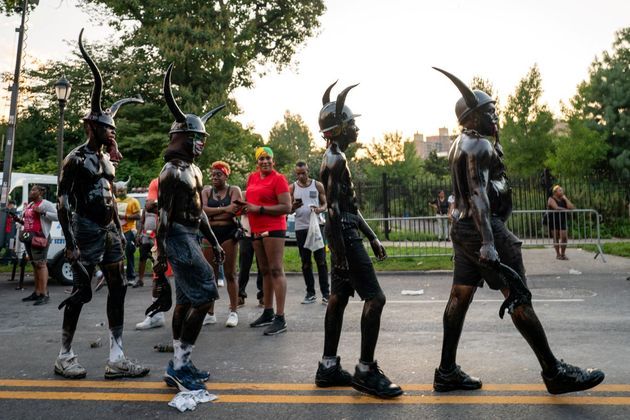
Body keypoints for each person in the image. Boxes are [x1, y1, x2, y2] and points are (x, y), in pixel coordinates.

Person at [432, 67, 604, 395]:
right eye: (489, 111)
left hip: (463, 227)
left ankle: (446, 371)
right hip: (485, 230)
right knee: (519, 295)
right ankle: (553, 371)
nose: (496, 115)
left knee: (461, 293)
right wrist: (489, 242)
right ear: (472, 117)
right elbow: (480, 194)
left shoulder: (460, 144)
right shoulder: (478, 145)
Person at [54, 29, 147, 380]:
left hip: (111, 230)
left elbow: (112, 190)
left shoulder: (107, 159)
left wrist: (114, 150)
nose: (112, 133)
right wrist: (72, 244)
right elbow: (62, 200)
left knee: (118, 286)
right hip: (86, 229)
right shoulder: (76, 159)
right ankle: (64, 354)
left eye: (113, 130)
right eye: (108, 129)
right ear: (92, 126)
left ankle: (117, 356)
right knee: (81, 291)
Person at [314, 82, 403, 399]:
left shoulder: (334, 157)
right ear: (338, 130)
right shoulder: (335, 160)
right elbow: (336, 212)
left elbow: (349, 208)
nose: (357, 128)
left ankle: (328, 366)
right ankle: (365, 371)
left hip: (345, 234)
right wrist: (340, 252)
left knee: (337, 299)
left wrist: (374, 236)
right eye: (352, 123)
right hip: (343, 238)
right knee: (375, 299)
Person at [155, 63, 226, 392]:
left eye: (202, 137)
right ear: (180, 138)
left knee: (185, 300)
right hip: (177, 240)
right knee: (207, 293)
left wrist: (213, 240)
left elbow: (199, 213)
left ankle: (180, 364)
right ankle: (180, 364)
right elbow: (164, 218)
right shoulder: (170, 172)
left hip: (192, 237)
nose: (199, 142)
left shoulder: (195, 172)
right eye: (194, 137)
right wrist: (158, 261)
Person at [242, 146, 292, 336]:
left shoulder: (279, 179)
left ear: (273, 161)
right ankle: (268, 312)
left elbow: (286, 207)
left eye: (268, 158)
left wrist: (259, 209)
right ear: (257, 162)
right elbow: (251, 203)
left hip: (274, 228)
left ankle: (280, 318)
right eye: (261, 159)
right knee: (264, 271)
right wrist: (244, 208)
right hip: (256, 229)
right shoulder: (252, 177)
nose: (265, 162)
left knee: (276, 270)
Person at [201, 161, 243, 328]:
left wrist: (214, 214)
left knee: (230, 273)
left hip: (228, 234)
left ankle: (233, 311)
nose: (215, 177)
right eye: (213, 174)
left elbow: (235, 210)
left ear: (226, 175)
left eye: (219, 174)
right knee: (210, 274)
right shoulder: (206, 191)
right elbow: (202, 211)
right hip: (209, 235)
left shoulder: (234, 190)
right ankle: (210, 313)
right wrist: (224, 209)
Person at [289, 160, 330, 304]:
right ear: (296, 173)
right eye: (298, 174)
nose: (301, 176)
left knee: (321, 261)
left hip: (317, 227)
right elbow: (288, 209)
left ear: (308, 171)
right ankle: (310, 293)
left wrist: (319, 209)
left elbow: (325, 204)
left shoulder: (317, 185)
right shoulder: (292, 188)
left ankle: (326, 294)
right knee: (306, 262)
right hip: (301, 228)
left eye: (303, 173)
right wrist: (293, 206)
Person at [135, 177, 167, 330]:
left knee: (186, 277)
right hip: (159, 239)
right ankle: (156, 315)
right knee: (157, 276)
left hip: (184, 236)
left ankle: (190, 316)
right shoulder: (156, 182)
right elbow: (148, 205)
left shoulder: (192, 176)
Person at [19, 186, 57, 305]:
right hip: (29, 237)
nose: (31, 192)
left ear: (40, 193)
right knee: (35, 265)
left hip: (40, 237)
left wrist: (43, 212)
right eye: (31, 190)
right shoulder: (30, 204)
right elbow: (27, 221)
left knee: (41, 264)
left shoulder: (46, 204)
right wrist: (17, 219)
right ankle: (37, 292)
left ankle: (44, 294)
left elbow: (57, 216)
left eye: (34, 190)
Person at [237, 193, 264, 307]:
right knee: (244, 266)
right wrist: (245, 208)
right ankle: (240, 295)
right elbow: (237, 211)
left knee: (262, 266)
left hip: (260, 233)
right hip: (246, 233)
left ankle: (262, 295)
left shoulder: (263, 194)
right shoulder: (244, 194)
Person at [114, 178, 142, 285]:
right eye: (118, 190)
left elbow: (138, 216)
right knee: (116, 255)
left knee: (129, 253)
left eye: (122, 190)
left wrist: (124, 216)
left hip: (129, 231)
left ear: (126, 190)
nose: (120, 192)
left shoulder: (133, 201)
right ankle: (118, 277)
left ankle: (131, 277)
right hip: (117, 231)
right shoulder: (115, 201)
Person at [547, 185, 575, 260]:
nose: (562, 191)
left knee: (564, 237)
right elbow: (556, 208)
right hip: (553, 220)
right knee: (556, 237)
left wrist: (566, 199)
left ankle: (563, 254)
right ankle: (558, 254)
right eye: (560, 190)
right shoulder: (551, 199)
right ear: (555, 192)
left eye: (562, 190)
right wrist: (566, 210)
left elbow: (571, 207)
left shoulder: (563, 199)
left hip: (562, 220)